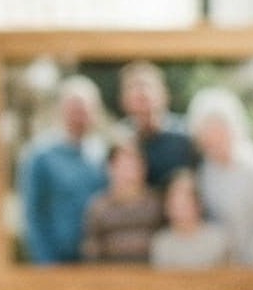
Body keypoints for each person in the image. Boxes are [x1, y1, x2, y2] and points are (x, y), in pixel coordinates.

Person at [188, 86, 253, 268]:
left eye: (217, 130)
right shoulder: (206, 170)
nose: (212, 138)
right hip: (223, 267)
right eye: (206, 132)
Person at [16, 74, 108, 264]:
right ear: (60, 110)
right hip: (56, 260)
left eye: (85, 110)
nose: (80, 116)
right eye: (74, 110)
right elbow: (32, 216)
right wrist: (45, 263)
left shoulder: (101, 152)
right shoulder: (40, 155)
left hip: (96, 261)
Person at [115, 59, 197, 190]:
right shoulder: (120, 140)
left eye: (147, 88)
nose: (142, 95)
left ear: (164, 95)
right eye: (135, 92)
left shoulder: (186, 136)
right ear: (124, 101)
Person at [81, 140, 163, 263]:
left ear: (143, 169)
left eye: (134, 166)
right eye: (123, 166)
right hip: (110, 276)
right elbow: (90, 248)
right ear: (111, 169)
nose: (129, 173)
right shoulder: (98, 206)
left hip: (151, 275)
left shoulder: (156, 203)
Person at [149, 168, 233, 270]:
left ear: (199, 205)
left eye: (186, 201)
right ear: (167, 207)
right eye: (175, 202)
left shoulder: (218, 239)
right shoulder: (162, 243)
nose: (180, 208)